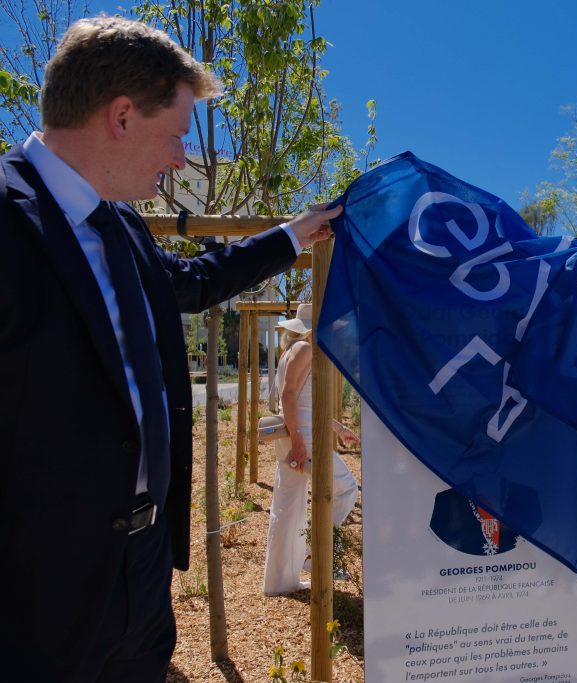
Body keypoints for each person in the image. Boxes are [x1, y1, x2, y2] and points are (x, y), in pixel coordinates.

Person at [0, 17, 341, 682]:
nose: (183, 156)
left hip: (144, 569)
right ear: (121, 115)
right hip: (38, 588)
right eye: (179, 132)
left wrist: (293, 235)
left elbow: (188, 282)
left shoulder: (118, 219)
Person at [263, 303, 360, 595]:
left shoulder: (294, 352)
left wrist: (338, 429)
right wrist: (299, 443)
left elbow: (305, 403)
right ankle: (311, 553)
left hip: (299, 433)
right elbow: (289, 396)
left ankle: (281, 581)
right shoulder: (305, 350)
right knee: (345, 488)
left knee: (288, 505)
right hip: (303, 437)